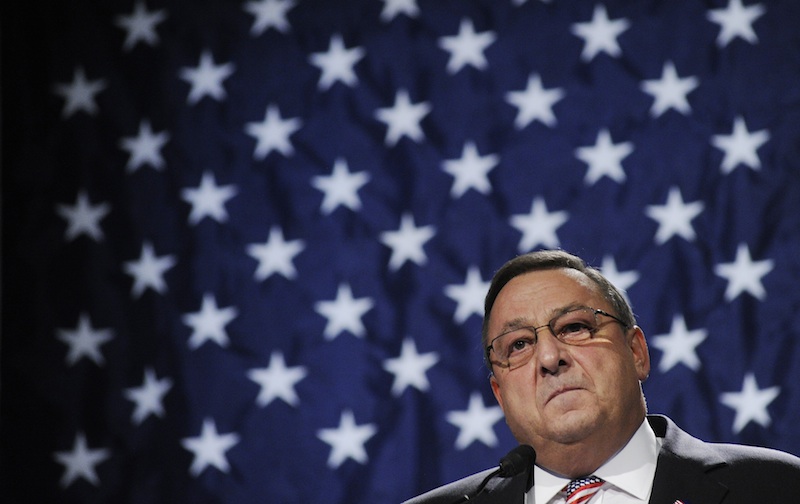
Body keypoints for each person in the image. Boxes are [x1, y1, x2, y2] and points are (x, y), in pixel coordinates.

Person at [404, 249, 800, 503]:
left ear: (636, 352)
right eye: (519, 345)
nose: (549, 357)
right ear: (500, 394)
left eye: (574, 327)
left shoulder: (775, 487)